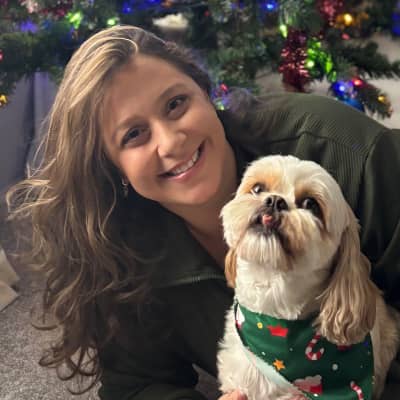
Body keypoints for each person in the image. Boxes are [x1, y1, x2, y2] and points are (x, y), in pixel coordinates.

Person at [7, 25, 400, 400]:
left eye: (176, 104)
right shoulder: (122, 253)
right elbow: (138, 387)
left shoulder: (353, 155)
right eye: (134, 134)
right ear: (113, 169)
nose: (171, 141)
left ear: (207, 93)